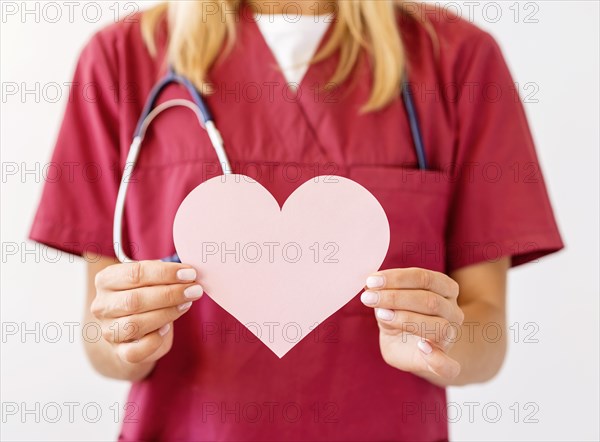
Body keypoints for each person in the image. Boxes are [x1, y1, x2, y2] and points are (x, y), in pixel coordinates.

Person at [29, 0, 564, 440]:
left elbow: (486, 333)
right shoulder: (121, 60)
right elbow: (102, 338)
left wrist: (440, 340)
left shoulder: (458, 60)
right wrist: (126, 340)